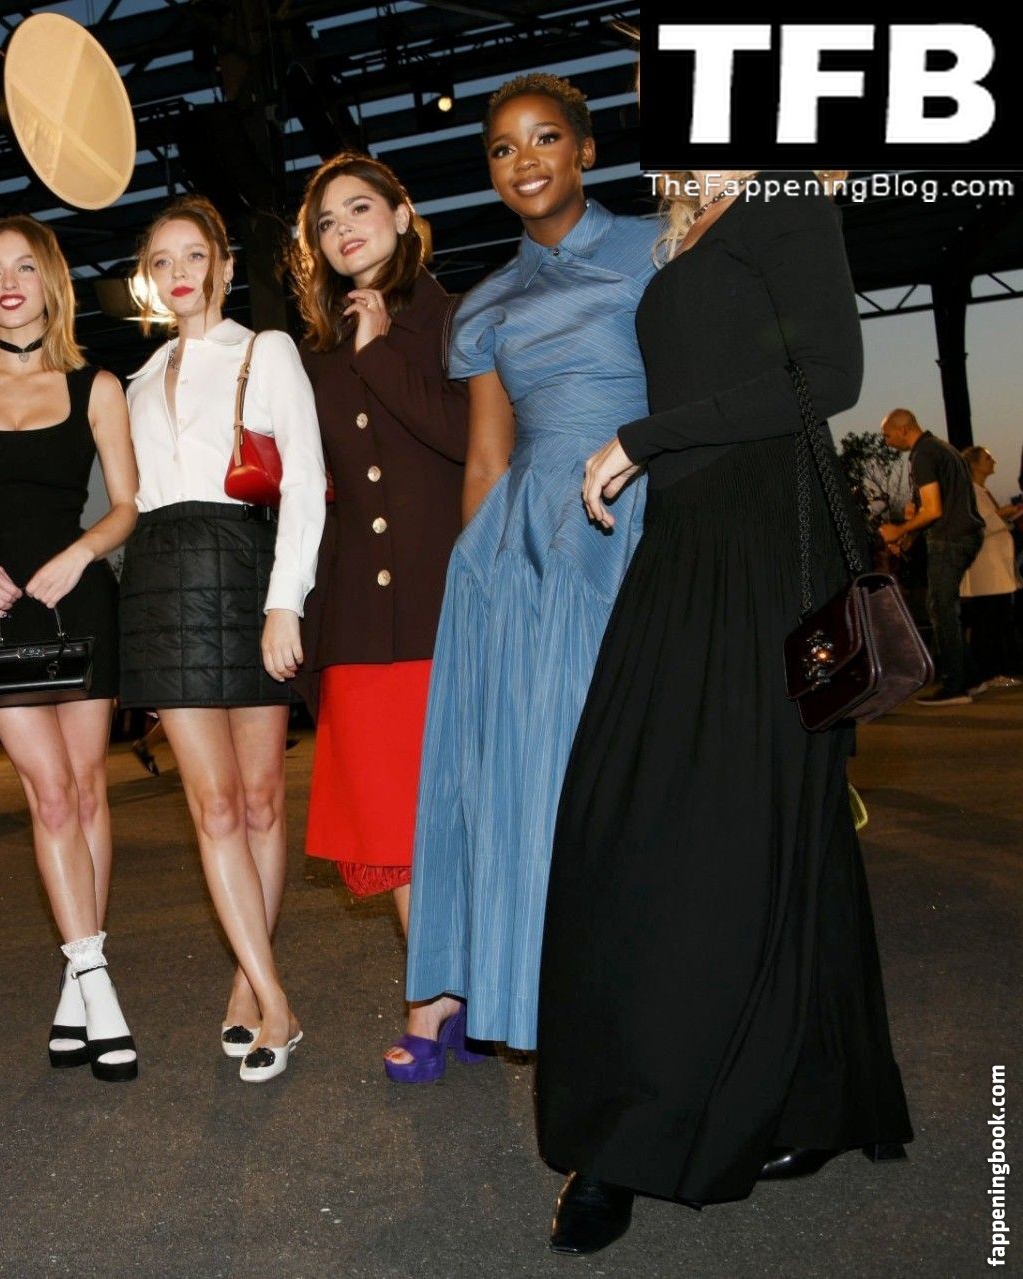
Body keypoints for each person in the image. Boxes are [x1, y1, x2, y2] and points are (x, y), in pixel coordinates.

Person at [540, 172, 911, 1254]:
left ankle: (631, 1139)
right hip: (689, 537)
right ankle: (820, 1094)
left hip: (763, 541)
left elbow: (827, 377)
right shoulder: (684, 235)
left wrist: (642, 439)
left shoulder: (785, 202)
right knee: (740, 820)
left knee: (681, 823)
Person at [405, 75, 661, 1058]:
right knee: (532, 771)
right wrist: (479, 581)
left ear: (586, 150)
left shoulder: (657, 250)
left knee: (635, 758)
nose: (524, 161)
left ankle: (656, 975)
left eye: (545, 138)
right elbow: (485, 456)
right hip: (522, 551)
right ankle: (547, 987)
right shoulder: (485, 304)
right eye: (503, 149)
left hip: (637, 517)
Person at [0, 215, 141, 1082]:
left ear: (50, 282)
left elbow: (126, 506)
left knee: (87, 790)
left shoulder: (97, 384)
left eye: (23, 267)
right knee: (50, 793)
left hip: (76, 598)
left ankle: (76, 980)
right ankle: (96, 981)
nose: (8, 283)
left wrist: (80, 554)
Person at [120, 195, 326, 1081]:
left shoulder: (264, 350)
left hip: (246, 572)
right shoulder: (134, 381)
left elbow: (307, 480)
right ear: (148, 279)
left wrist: (287, 601)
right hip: (163, 583)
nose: (179, 273)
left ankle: (248, 980)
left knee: (263, 800)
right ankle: (276, 997)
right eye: (161, 261)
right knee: (212, 806)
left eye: (194, 256)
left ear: (225, 266)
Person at [286, 153, 470, 1075]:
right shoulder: (312, 352)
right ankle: (432, 999)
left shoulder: (458, 317)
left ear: (403, 214)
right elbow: (303, 492)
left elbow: (465, 437)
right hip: (357, 614)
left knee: (466, 816)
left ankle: (489, 984)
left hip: (449, 601)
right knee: (390, 823)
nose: (343, 230)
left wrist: (381, 348)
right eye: (326, 222)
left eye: (360, 209)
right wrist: (290, 603)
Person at [878, 408, 983, 704]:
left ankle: (954, 686)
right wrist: (909, 535)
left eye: (887, 435)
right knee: (944, 607)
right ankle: (970, 677)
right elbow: (935, 505)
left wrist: (898, 530)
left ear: (903, 429)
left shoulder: (923, 454)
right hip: (964, 536)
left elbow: (934, 510)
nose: (886, 442)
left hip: (950, 540)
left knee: (940, 608)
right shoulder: (942, 448)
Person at [958, 444, 1022, 690]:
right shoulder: (969, 492)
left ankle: (997, 670)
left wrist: (1007, 516)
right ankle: (987, 672)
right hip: (986, 570)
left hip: (996, 569)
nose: (993, 461)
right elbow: (976, 525)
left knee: (998, 619)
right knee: (988, 622)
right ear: (974, 464)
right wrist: (1001, 514)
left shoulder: (982, 491)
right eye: (987, 458)